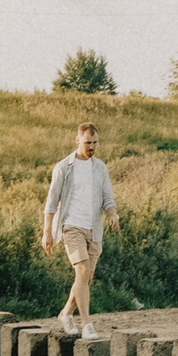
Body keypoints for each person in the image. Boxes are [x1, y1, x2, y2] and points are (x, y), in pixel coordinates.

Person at [42, 121, 119, 335]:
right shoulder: (63, 167)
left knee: (86, 278)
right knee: (83, 270)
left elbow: (108, 197)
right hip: (71, 226)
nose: (91, 146)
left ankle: (66, 313)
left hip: (94, 229)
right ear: (77, 140)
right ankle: (87, 325)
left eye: (94, 142)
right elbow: (51, 202)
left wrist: (113, 214)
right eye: (87, 142)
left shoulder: (100, 168)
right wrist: (47, 231)